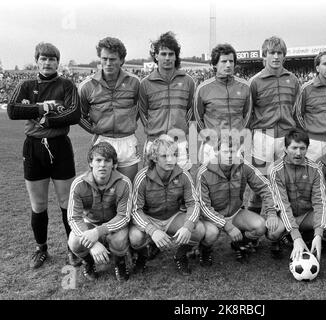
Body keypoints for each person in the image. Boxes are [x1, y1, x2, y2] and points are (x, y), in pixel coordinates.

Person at [7, 42, 81, 269]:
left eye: (52, 59)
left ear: (58, 62)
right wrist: (43, 107)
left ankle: (73, 249)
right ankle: (41, 248)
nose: (47, 62)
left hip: (60, 147)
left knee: (66, 202)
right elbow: (12, 110)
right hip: (33, 148)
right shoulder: (26, 84)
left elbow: (74, 114)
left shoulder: (67, 85)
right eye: (43, 58)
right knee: (38, 204)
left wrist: (42, 117)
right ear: (36, 60)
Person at [129, 135, 204, 275]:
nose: (170, 160)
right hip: (150, 218)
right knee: (135, 237)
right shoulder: (142, 177)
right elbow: (135, 210)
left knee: (198, 229)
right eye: (164, 156)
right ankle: (142, 257)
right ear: (154, 158)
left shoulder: (183, 175)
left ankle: (181, 256)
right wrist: (152, 230)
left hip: (172, 217)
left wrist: (187, 227)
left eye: (174, 155)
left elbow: (193, 203)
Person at [196, 137, 276, 265]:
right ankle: (205, 249)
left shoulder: (243, 166)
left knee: (260, 226)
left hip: (235, 213)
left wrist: (271, 212)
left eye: (233, 152)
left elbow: (265, 187)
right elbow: (203, 206)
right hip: (212, 217)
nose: (229, 156)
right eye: (226, 152)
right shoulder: (204, 172)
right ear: (217, 151)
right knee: (211, 233)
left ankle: (240, 242)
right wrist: (227, 226)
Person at [269, 128, 326, 262]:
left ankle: (314, 239)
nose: (298, 153)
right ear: (285, 149)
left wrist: (319, 233)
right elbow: (283, 205)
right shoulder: (275, 170)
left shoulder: (315, 169)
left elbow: (320, 202)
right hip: (285, 215)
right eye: (294, 148)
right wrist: (295, 235)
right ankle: (285, 238)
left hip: (307, 214)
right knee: (273, 232)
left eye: (302, 148)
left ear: (307, 149)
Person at [247, 36, 301, 214]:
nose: (276, 56)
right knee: (259, 185)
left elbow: (296, 111)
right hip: (262, 137)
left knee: (285, 184)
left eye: (279, 53)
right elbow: (248, 113)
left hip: (286, 137)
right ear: (264, 55)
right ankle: (251, 237)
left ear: (284, 56)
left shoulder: (292, 80)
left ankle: (282, 229)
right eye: (271, 53)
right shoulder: (255, 82)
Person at [78, 37, 140, 182]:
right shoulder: (87, 85)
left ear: (122, 60)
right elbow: (80, 115)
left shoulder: (134, 82)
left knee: (127, 189)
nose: (108, 63)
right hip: (102, 140)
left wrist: (128, 122)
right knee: (101, 192)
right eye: (104, 58)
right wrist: (94, 129)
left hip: (127, 140)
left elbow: (139, 108)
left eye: (112, 59)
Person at [67, 142, 131, 281]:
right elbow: (74, 218)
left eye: (107, 161)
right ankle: (88, 262)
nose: (102, 165)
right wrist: (92, 242)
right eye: (98, 160)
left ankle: (119, 261)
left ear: (114, 165)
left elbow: (124, 216)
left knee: (119, 241)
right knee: (74, 241)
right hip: (90, 223)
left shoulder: (124, 183)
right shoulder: (79, 184)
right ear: (91, 163)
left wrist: (97, 232)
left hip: (113, 223)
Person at [138, 31, 195, 170]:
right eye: (163, 54)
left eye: (171, 54)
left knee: (181, 184)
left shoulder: (188, 81)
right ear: (156, 56)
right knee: (154, 187)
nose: (167, 58)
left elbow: (190, 112)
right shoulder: (145, 84)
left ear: (176, 56)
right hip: (155, 142)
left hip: (179, 142)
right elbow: (143, 112)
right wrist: (154, 131)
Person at [194, 43, 252, 164]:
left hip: (237, 146)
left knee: (237, 182)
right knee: (211, 181)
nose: (228, 65)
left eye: (231, 61)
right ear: (215, 64)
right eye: (224, 61)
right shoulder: (203, 89)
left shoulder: (245, 87)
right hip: (212, 147)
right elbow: (198, 118)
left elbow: (247, 115)